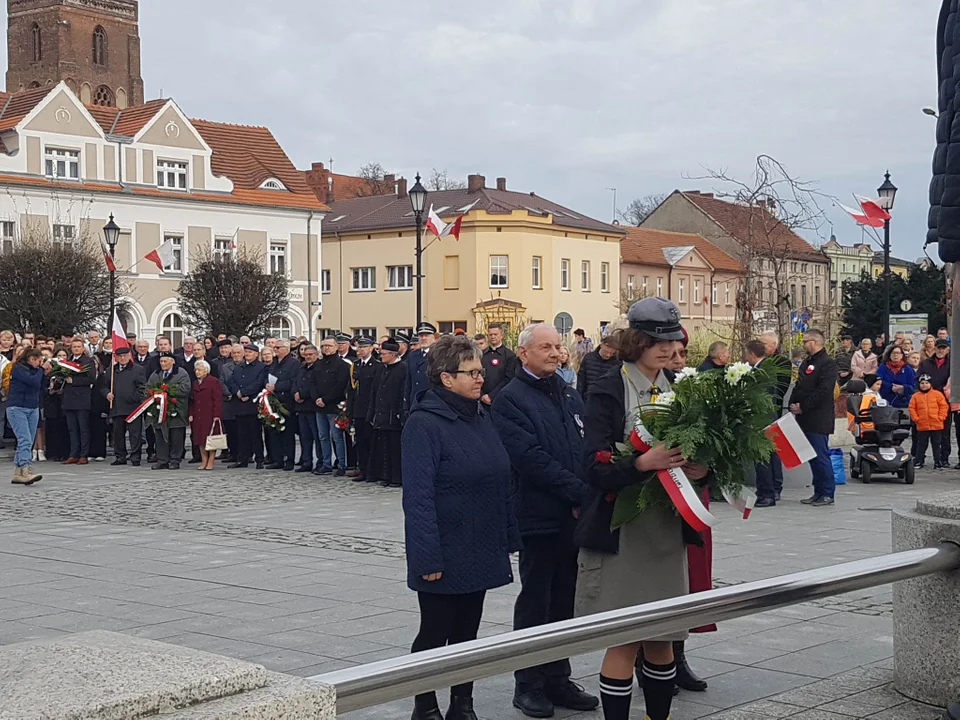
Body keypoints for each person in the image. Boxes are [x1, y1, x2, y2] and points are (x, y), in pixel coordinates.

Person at [575, 298, 707, 720]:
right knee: (625, 636)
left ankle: (658, 717)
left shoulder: (682, 386)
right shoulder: (608, 387)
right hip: (623, 529)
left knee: (663, 635)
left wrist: (702, 468)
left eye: (673, 342)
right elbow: (592, 464)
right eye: (660, 343)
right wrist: (640, 464)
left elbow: (697, 454)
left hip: (666, 526)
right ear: (638, 342)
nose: (670, 351)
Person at [401, 334, 522, 720]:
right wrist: (426, 556)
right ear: (445, 377)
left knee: (468, 632)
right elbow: (417, 498)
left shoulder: (481, 416)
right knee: (435, 632)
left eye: (480, 370)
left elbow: (501, 475)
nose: (480, 377)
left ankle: (462, 703)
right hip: (444, 547)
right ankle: (424, 704)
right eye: (470, 372)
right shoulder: (424, 424)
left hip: (481, 542)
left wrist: (507, 537)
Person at [492, 324, 598, 718]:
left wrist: (591, 485)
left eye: (559, 346)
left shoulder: (569, 394)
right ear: (524, 353)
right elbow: (530, 459)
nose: (556, 353)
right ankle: (529, 684)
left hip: (573, 518)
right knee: (536, 602)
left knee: (565, 601)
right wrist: (580, 492)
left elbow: (584, 446)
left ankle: (558, 677)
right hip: (539, 517)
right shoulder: (510, 399)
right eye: (547, 347)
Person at [789, 329, 840, 507]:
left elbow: (824, 391)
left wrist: (804, 406)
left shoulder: (827, 364)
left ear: (815, 342)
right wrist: (793, 404)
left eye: (805, 341)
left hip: (819, 417)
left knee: (820, 456)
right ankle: (818, 491)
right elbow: (799, 385)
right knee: (811, 456)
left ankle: (827, 493)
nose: (803, 345)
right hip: (804, 418)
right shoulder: (807, 362)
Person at [367, 338, 408, 487]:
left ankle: (397, 477)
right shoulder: (381, 369)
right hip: (381, 415)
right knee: (383, 447)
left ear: (392, 354)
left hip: (394, 416)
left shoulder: (403, 368)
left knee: (395, 448)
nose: (380, 356)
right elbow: (375, 392)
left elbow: (403, 392)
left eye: (383, 353)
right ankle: (385, 475)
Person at [7, 347, 49, 485]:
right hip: (17, 407)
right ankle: (25, 469)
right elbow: (32, 381)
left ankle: (18, 472)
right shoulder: (18, 369)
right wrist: (42, 370)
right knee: (24, 438)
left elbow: (41, 386)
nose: (37, 362)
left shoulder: (36, 371)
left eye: (39, 360)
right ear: (27, 359)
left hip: (32, 407)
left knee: (29, 440)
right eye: (34, 360)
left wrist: (46, 374)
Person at [147, 351, 191, 470]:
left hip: (177, 409)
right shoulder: (156, 374)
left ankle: (175, 460)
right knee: (160, 436)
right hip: (159, 411)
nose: (163, 363)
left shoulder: (181, 373)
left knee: (176, 436)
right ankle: (162, 460)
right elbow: (148, 388)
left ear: (172, 362)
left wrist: (169, 391)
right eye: (161, 361)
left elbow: (186, 388)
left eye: (165, 361)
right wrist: (155, 393)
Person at [313, 337, 351, 476]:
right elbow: (313, 383)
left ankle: (342, 464)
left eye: (329, 346)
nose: (326, 348)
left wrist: (325, 399)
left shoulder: (342, 365)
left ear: (336, 347)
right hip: (319, 406)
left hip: (334, 406)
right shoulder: (318, 364)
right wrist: (316, 398)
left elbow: (340, 386)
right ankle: (326, 463)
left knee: (337, 437)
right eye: (323, 346)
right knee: (323, 436)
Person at [226, 344, 267, 469]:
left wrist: (245, 393)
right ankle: (242, 458)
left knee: (255, 434)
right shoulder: (239, 367)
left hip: (253, 404)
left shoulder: (262, 367)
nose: (248, 354)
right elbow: (231, 381)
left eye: (250, 352)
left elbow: (259, 383)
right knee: (241, 434)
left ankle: (259, 459)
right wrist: (238, 392)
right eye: (246, 352)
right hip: (239, 404)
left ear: (256, 354)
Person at [105, 347, 146, 466]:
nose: (122, 358)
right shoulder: (111, 371)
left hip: (133, 407)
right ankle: (120, 456)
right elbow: (103, 386)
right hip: (117, 406)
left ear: (129, 356)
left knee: (135, 434)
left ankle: (135, 456)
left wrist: (133, 397)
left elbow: (142, 387)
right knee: (118, 433)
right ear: (116, 357)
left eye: (125, 355)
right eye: (120, 356)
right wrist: (107, 393)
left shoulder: (138, 369)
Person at [61, 338, 97, 465]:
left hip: (82, 399)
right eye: (74, 347)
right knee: (72, 429)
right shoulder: (67, 361)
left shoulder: (88, 361)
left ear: (83, 348)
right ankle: (73, 453)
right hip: (69, 399)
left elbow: (91, 379)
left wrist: (74, 381)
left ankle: (83, 454)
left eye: (78, 347)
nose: (76, 349)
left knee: (83, 428)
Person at [347, 337, 379, 482]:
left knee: (371, 442)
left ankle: (373, 471)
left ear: (371, 348)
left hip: (369, 409)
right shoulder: (356, 365)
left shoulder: (376, 366)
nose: (361, 350)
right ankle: (363, 469)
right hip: (358, 409)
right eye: (359, 348)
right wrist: (350, 411)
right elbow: (352, 390)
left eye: (364, 347)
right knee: (360, 442)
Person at [265, 339, 299, 470]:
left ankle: (289, 460)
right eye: (275, 347)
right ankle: (277, 459)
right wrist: (267, 385)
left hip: (286, 402)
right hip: (273, 401)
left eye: (278, 347)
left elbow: (293, 382)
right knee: (274, 432)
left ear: (286, 349)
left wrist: (277, 387)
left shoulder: (293, 364)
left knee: (287, 433)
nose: (275, 349)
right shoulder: (274, 363)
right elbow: (266, 376)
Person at [920, 339, 952, 467]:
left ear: (948, 349)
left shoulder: (952, 364)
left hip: (945, 400)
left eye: (943, 348)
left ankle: (944, 458)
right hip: (927, 399)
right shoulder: (926, 363)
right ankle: (920, 458)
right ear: (935, 348)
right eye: (939, 348)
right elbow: (919, 378)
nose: (941, 350)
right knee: (923, 433)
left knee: (945, 430)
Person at [190, 360, 225, 471]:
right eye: (196, 370)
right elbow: (192, 401)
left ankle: (211, 460)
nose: (197, 372)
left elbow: (218, 400)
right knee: (200, 438)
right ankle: (204, 460)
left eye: (199, 370)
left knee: (210, 438)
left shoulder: (213, 382)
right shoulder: (195, 383)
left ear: (206, 370)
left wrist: (217, 415)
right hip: (198, 414)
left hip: (210, 414)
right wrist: (190, 414)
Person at [909, 374, 949, 469]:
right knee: (921, 444)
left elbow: (944, 406)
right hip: (922, 424)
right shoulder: (915, 396)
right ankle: (919, 461)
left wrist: (941, 417)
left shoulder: (937, 394)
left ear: (930, 384)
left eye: (926, 383)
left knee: (936, 444)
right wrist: (916, 419)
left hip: (936, 424)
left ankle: (937, 461)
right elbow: (912, 408)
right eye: (922, 383)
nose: (924, 385)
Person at [293, 344, 320, 472]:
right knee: (305, 437)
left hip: (312, 406)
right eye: (306, 354)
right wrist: (295, 393)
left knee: (317, 436)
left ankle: (320, 462)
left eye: (310, 354)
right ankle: (306, 461)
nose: (308, 357)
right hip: (301, 407)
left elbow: (314, 386)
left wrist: (302, 394)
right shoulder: (302, 367)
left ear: (316, 355)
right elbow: (295, 382)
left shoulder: (318, 367)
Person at [480, 323, 517, 407]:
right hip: (482, 401)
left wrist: (491, 396)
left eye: (495, 334)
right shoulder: (481, 355)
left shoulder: (510, 356)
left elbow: (509, 379)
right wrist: (481, 395)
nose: (493, 337)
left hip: (501, 400)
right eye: (490, 334)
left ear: (502, 335)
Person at [220, 344, 245, 463]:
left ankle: (246, 454)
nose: (236, 355)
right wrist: (229, 393)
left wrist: (241, 393)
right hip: (229, 401)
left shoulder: (247, 365)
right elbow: (221, 382)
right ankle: (233, 453)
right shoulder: (225, 367)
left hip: (243, 401)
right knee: (231, 430)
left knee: (244, 430)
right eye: (234, 353)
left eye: (238, 353)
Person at [43, 348, 69, 462]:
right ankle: (52, 452)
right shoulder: (49, 368)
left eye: (64, 355)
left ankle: (64, 452)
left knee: (64, 427)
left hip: (64, 401)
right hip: (51, 401)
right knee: (52, 426)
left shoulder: (69, 369)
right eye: (59, 355)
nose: (61, 357)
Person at [406, 322, 438, 411]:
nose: (423, 338)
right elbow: (408, 382)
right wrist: (406, 405)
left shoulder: (438, 355)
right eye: (421, 335)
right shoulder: (412, 355)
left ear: (434, 338)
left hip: (431, 403)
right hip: (414, 403)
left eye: (427, 335)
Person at [577, 335, 620, 399]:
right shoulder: (588, 358)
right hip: (589, 399)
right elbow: (581, 382)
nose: (608, 355)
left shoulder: (617, 362)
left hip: (607, 400)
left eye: (611, 353)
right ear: (601, 345)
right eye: (606, 352)